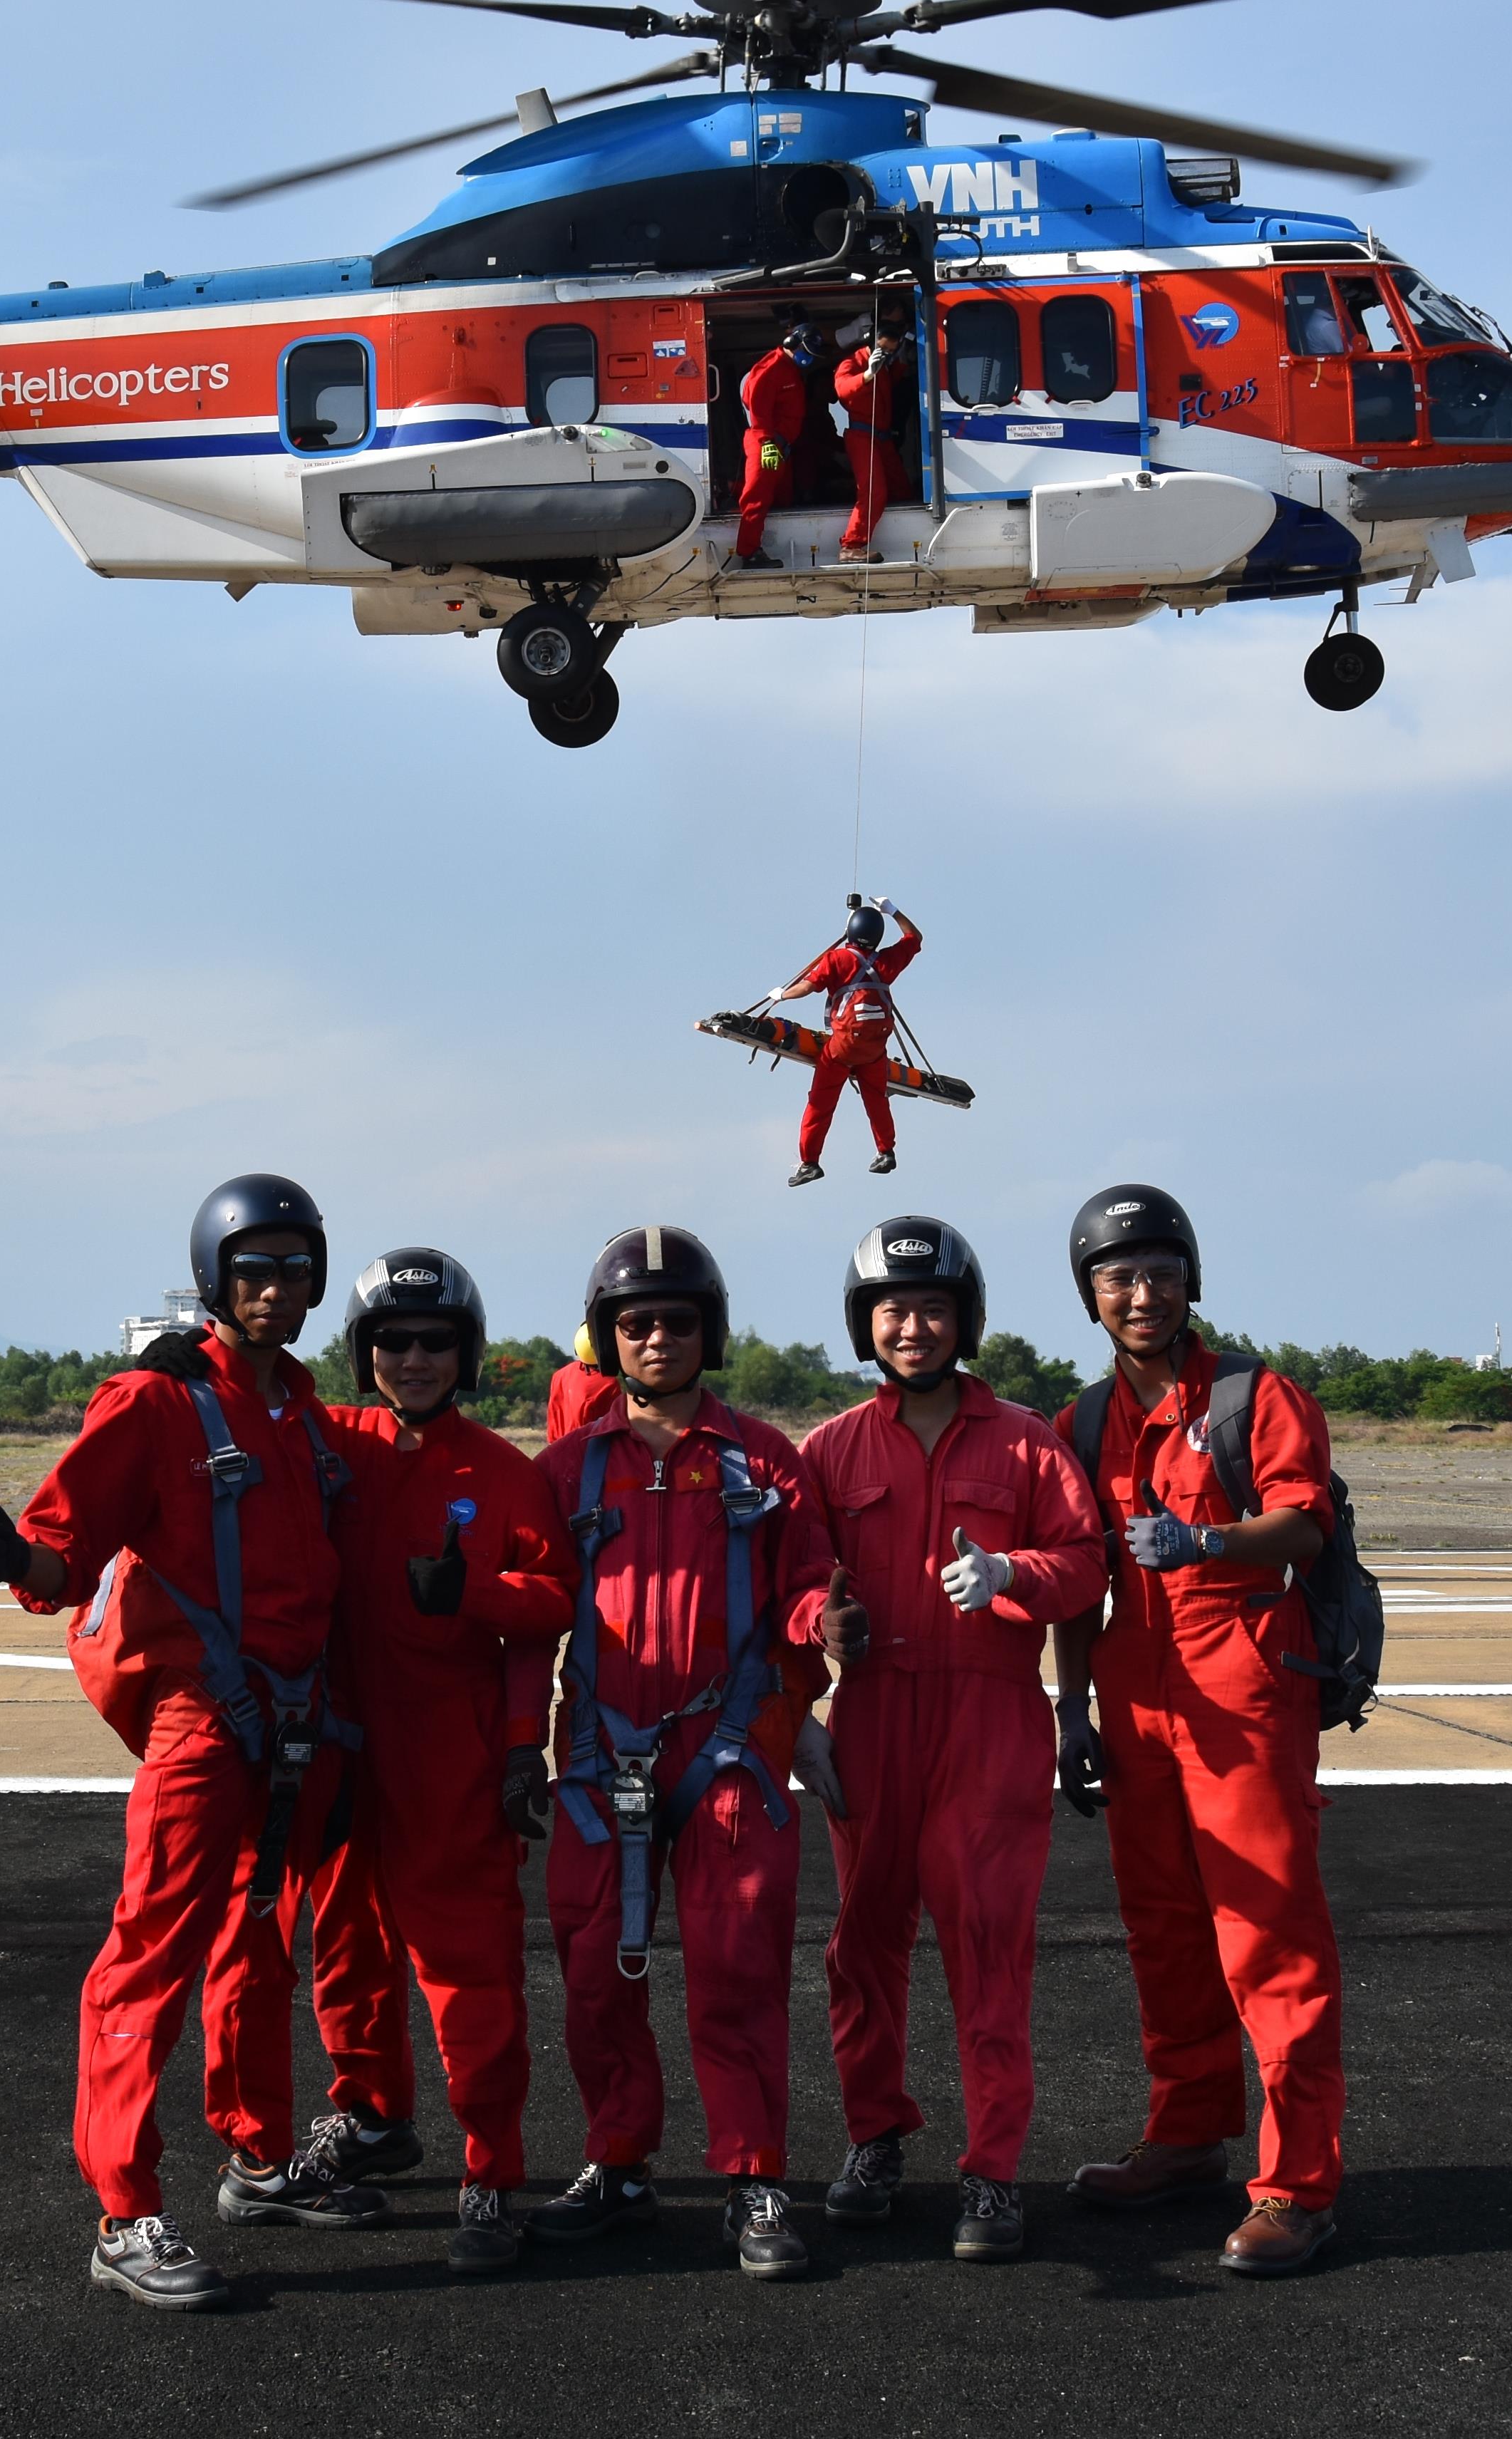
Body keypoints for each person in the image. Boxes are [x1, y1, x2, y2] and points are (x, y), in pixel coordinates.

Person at [0, 1173, 375, 2314]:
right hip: (203, 1726)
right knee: (150, 1958)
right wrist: (9, 1559)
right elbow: (62, 1553)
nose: (280, 1289)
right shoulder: (155, 1402)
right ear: (215, 1282)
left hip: (296, 1727)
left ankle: (260, 2158)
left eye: (297, 1269)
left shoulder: (298, 1412)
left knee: (258, 1941)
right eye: (258, 1270)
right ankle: (125, 2213)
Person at [527, 1224, 843, 2282]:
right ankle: (618, 2160)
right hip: (598, 1757)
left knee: (738, 1971)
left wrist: (818, 1629)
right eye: (636, 1323)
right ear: (609, 1340)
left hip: (730, 1756)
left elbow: (807, 1583)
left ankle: (754, 2178)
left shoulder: (766, 1460)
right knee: (590, 1971)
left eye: (676, 1321)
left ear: (709, 1333)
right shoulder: (569, 1471)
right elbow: (527, 1612)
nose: (657, 1337)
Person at [1045, 1184, 1349, 2275]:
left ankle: (1298, 2186)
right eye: (1118, 1276)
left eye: (1161, 1272)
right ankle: (1185, 2135)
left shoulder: (1255, 1398)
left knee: (1270, 1941)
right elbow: (1080, 1583)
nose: (1142, 1292)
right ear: (1089, 1294)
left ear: (1191, 1282)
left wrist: (1207, 1542)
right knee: (1164, 1932)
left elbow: (1306, 1529)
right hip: (1132, 1699)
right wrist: (1070, 1708)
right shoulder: (1079, 1423)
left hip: (1245, 1692)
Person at [794, 1218, 1108, 2262]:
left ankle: (993, 2170)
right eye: (892, 1309)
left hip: (990, 1717)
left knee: (987, 1947)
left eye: (931, 1308)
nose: (912, 1326)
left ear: (963, 1320)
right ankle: (875, 2137)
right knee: (862, 1944)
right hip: (875, 1715)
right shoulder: (832, 1449)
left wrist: (1017, 1573)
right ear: (865, 1323)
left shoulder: (1026, 1440)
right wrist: (813, 1641)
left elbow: (1086, 1564)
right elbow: (790, 1578)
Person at [295, 1248, 574, 2274]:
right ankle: (370, 2116)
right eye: (393, 1342)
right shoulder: (331, 1447)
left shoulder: (505, 1476)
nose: (413, 1359)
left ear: (466, 1353)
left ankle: (492, 2174)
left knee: (469, 1973)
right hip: (337, 1746)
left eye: (434, 1342)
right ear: (364, 1353)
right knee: (345, 1954)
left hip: (448, 1753)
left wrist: (472, 1599)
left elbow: (555, 1603)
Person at [756, 895, 922, 1186]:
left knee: (821, 1102)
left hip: (843, 1047)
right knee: (877, 1100)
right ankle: (886, 1151)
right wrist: (892, 910)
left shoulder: (837, 959)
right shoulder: (887, 962)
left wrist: (781, 995)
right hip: (875, 1047)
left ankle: (810, 1163)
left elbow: (807, 986)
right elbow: (914, 937)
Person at [730, 321, 822, 569]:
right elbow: (758, 410)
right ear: (792, 344)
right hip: (766, 443)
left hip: (781, 446)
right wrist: (767, 444)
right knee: (756, 497)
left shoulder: (789, 367)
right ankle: (749, 553)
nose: (808, 359)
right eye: (807, 352)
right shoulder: (769, 369)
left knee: (781, 496)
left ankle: (766, 548)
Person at [833, 316, 911, 560]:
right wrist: (868, 374)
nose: (886, 354)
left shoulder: (886, 366)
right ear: (870, 341)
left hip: (883, 438)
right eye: (882, 348)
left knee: (902, 488)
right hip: (862, 436)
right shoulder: (852, 363)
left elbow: (892, 386)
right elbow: (843, 390)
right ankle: (851, 546)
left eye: (891, 350)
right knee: (873, 491)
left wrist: (900, 361)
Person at [541, 1323, 616, 1441]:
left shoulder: (560, 1375)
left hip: (557, 1449)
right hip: (586, 1451)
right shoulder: (609, 1383)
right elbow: (613, 1426)